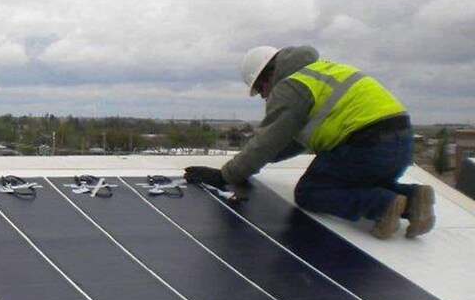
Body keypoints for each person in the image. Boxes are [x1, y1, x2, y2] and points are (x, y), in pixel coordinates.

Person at [184, 45, 434, 239]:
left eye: (260, 88)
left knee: (311, 192)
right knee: (361, 181)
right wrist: (251, 162)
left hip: (366, 144)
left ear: (269, 74)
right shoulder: (321, 71)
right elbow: (288, 143)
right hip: (401, 141)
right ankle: (413, 198)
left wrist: (226, 175)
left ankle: (384, 205)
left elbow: (268, 140)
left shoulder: (291, 86)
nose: (263, 95)